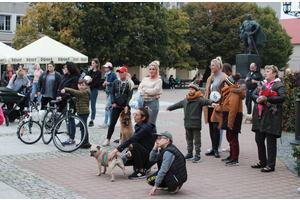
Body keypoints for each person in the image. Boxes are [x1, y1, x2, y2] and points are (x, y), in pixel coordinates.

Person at [166, 79, 218, 163]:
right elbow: (178, 104)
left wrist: (212, 103)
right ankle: (189, 153)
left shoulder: (199, 99)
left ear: (196, 90)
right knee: (188, 139)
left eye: (192, 89)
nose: (190, 91)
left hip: (195, 123)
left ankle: (197, 154)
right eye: (189, 89)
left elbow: (206, 101)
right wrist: (170, 108)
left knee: (197, 139)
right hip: (187, 123)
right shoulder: (186, 100)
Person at [251, 65, 285, 172]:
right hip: (260, 117)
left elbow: (281, 98)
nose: (265, 73)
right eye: (265, 71)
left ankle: (271, 164)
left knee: (270, 141)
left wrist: (267, 99)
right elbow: (253, 94)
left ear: (274, 74)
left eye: (268, 71)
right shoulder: (262, 83)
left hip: (271, 117)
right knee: (259, 139)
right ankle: (262, 161)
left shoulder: (278, 84)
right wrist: (258, 99)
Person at [107, 106, 156, 179]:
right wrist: (129, 151)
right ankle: (145, 167)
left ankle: (141, 171)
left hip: (150, 156)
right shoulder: (138, 125)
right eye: (134, 114)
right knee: (124, 160)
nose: (134, 117)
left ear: (143, 118)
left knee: (133, 144)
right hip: (144, 152)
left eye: (137, 115)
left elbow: (132, 139)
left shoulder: (145, 128)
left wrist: (115, 151)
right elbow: (136, 140)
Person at [148, 131, 187, 195]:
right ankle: (170, 184)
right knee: (150, 180)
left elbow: (163, 170)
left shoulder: (168, 152)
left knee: (150, 180)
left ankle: (175, 185)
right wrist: (155, 148)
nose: (157, 141)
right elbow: (152, 159)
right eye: (157, 139)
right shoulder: (164, 149)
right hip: (175, 175)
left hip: (176, 178)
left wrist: (156, 186)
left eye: (160, 138)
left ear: (167, 140)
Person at [102, 66, 134, 146]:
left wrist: (127, 105)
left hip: (125, 106)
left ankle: (121, 140)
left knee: (124, 124)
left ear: (126, 73)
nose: (120, 74)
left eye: (122, 72)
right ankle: (108, 139)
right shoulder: (116, 82)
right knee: (112, 122)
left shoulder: (129, 83)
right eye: (119, 72)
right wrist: (113, 102)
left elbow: (130, 95)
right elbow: (112, 93)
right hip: (116, 105)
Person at [203, 56, 227, 158]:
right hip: (209, 105)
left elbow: (226, 92)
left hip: (218, 106)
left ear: (218, 66)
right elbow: (206, 92)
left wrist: (221, 103)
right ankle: (213, 147)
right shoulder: (210, 78)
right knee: (210, 127)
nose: (211, 67)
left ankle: (217, 148)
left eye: (212, 65)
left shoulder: (224, 77)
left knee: (216, 127)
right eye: (210, 65)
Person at [220, 73, 245, 166]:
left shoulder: (234, 93)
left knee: (233, 139)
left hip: (233, 119)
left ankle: (235, 158)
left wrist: (230, 124)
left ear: (230, 84)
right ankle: (231, 156)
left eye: (226, 84)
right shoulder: (230, 92)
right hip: (229, 117)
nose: (224, 85)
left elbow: (233, 110)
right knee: (230, 138)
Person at [61, 78, 91, 148]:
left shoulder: (85, 92)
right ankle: (84, 141)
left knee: (83, 127)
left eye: (83, 85)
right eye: (80, 85)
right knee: (82, 127)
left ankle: (85, 142)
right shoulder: (83, 91)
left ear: (86, 86)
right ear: (77, 85)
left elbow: (77, 93)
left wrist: (66, 89)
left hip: (84, 112)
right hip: (81, 112)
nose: (81, 87)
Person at [56, 61, 80, 145]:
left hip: (70, 101)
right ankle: (69, 135)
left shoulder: (75, 78)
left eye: (66, 67)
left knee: (70, 118)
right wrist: (59, 96)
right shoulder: (65, 77)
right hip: (62, 101)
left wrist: (63, 97)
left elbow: (72, 91)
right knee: (66, 118)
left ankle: (72, 137)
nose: (64, 69)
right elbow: (60, 86)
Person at [138, 60, 163, 125]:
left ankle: (152, 135)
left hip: (153, 103)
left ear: (156, 70)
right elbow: (139, 89)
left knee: (151, 123)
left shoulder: (159, 80)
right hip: (143, 102)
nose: (151, 71)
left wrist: (145, 89)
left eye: (153, 69)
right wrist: (145, 91)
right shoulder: (145, 79)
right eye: (150, 69)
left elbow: (154, 91)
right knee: (142, 122)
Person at [99, 62, 117, 128]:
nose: (105, 68)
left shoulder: (113, 74)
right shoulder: (106, 74)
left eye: (106, 67)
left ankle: (105, 122)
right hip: (107, 91)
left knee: (107, 107)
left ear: (109, 68)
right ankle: (111, 122)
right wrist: (104, 84)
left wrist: (108, 83)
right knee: (110, 108)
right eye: (104, 67)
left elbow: (116, 82)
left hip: (111, 92)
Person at [220, 63, 233, 153]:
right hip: (226, 108)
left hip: (228, 109)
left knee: (230, 130)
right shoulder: (230, 77)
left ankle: (231, 147)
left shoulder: (229, 79)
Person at [86, 58, 102, 127]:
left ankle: (92, 120)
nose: (92, 64)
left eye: (93, 63)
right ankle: (84, 119)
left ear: (97, 64)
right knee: (86, 105)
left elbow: (97, 83)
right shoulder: (90, 72)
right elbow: (85, 78)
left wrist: (91, 82)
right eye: (91, 63)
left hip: (93, 89)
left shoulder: (99, 72)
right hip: (88, 89)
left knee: (92, 105)